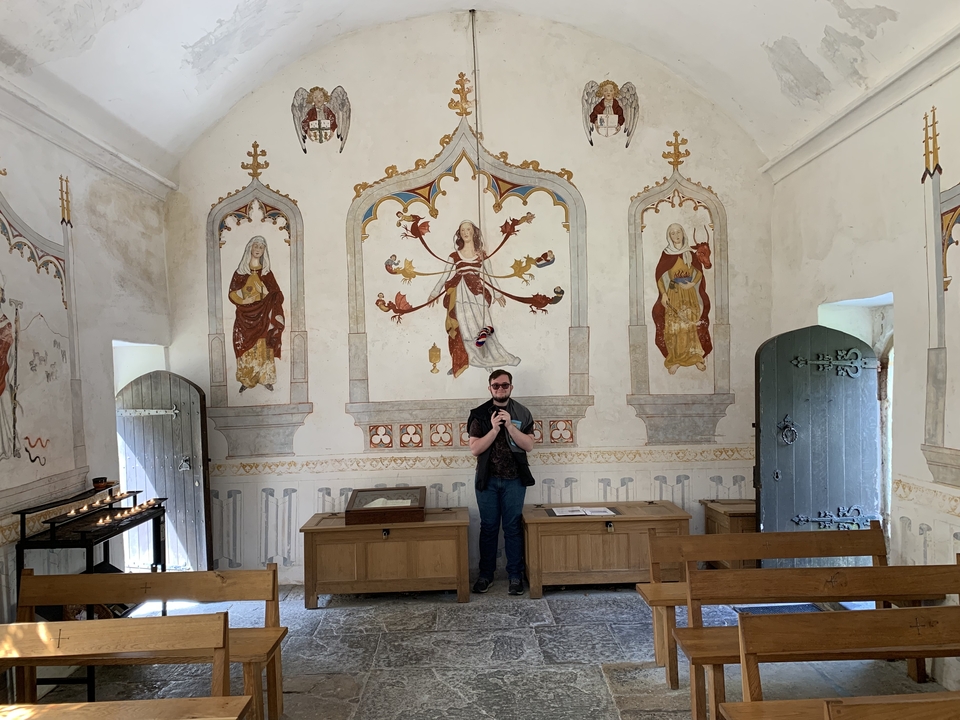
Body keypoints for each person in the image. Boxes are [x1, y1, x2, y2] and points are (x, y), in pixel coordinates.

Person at [467, 369, 535, 595]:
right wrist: (495, 428)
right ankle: (486, 575)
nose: (500, 389)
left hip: (514, 481)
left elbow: (529, 445)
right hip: (487, 481)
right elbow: (475, 448)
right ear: (490, 388)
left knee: (513, 528)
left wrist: (509, 426)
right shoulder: (479, 414)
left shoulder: (522, 413)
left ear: (511, 387)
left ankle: (515, 576)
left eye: (505, 385)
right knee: (488, 528)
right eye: (496, 385)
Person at [428, 220, 520, 377]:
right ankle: (465, 359)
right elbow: (444, 276)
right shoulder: (454, 256)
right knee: (463, 328)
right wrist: (434, 292)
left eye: (468, 229)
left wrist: (497, 293)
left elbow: (490, 276)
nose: (465, 233)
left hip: (477, 294)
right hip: (459, 294)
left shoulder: (481, 255)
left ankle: (488, 359)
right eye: (462, 230)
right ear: (459, 233)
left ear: (473, 232)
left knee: (482, 325)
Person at [228, 236, 285, 393]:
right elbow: (232, 294)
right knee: (246, 346)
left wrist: (270, 297)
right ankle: (247, 379)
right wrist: (245, 299)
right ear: (250, 248)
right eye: (256, 246)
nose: (258, 249)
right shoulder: (240, 272)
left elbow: (277, 293)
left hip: (263, 315)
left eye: (261, 247)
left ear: (264, 250)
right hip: (245, 316)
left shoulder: (266, 273)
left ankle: (265, 378)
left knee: (264, 344)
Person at [651, 223, 710, 374]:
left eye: (678, 232)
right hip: (673, 294)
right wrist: (663, 294)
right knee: (674, 326)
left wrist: (692, 283)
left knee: (690, 325)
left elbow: (699, 272)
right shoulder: (666, 254)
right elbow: (660, 276)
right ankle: (675, 359)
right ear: (669, 236)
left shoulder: (689, 253)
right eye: (673, 233)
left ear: (683, 233)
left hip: (689, 294)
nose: (676, 235)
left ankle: (696, 357)